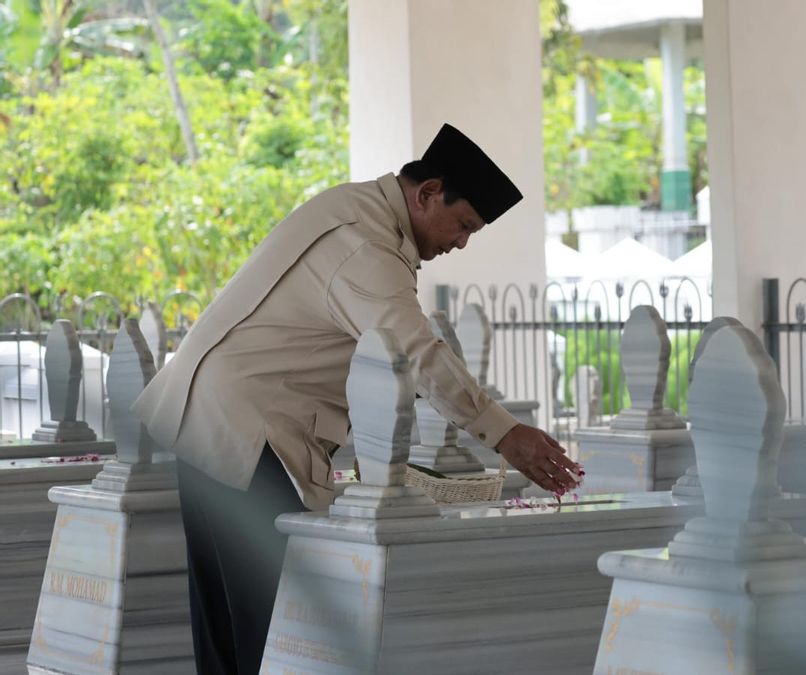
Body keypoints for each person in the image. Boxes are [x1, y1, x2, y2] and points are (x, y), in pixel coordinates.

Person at [133, 123, 582, 674]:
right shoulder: (366, 244)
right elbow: (415, 352)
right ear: (427, 193)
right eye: (463, 224)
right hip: (248, 435)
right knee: (276, 623)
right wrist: (505, 433)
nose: (461, 242)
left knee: (229, 627)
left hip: (212, 422)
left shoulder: (358, 209)